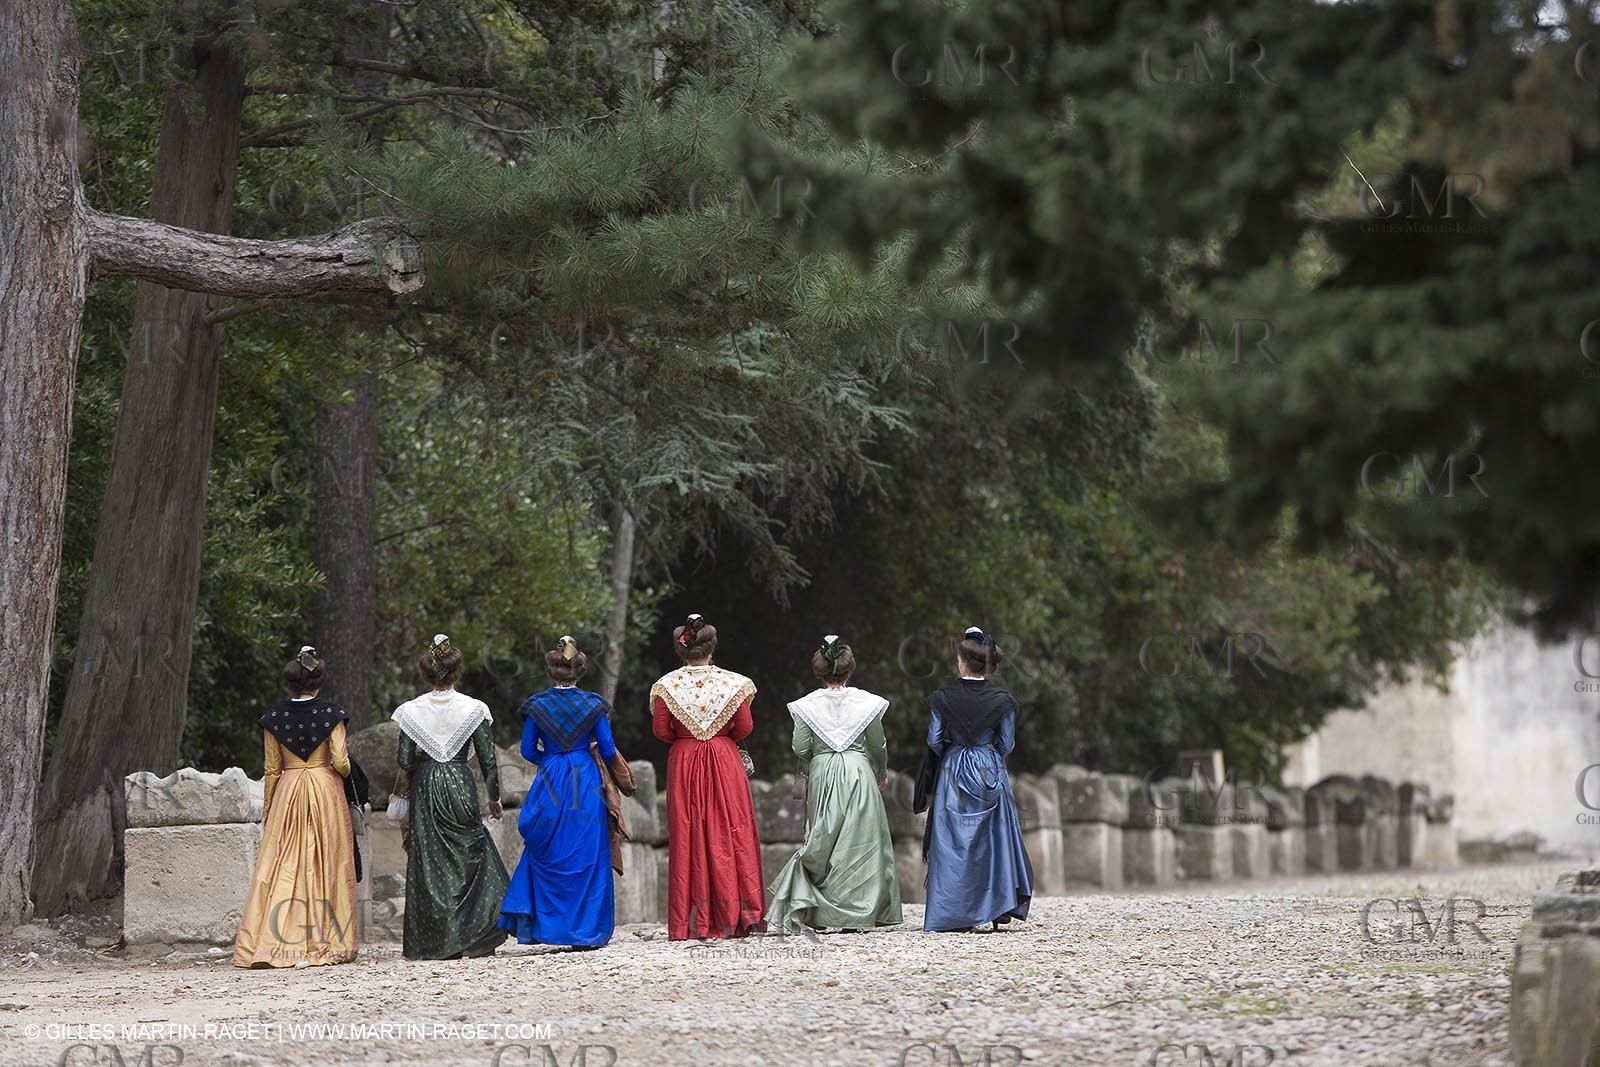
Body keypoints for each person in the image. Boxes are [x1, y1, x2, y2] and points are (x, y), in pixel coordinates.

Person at [767, 635, 902, 934]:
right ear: (849, 669)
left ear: (819, 671)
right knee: (859, 839)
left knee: (825, 838)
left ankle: (825, 911)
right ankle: (857, 911)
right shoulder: (867, 703)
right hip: (858, 771)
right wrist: (880, 773)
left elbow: (800, 747)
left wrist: (815, 756)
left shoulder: (806, 706)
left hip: (823, 771)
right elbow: (878, 744)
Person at [234, 646, 358, 967]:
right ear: (319, 680)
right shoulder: (332, 715)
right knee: (326, 861)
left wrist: (268, 810)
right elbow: (342, 762)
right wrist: (340, 772)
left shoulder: (274, 718)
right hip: (323, 789)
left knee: (282, 862)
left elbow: (271, 769)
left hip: (288, 790)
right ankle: (327, 937)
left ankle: (271, 940)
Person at [392, 634, 509, 960]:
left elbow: (403, 760)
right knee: (469, 855)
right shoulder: (474, 709)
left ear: (426, 673)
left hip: (428, 784)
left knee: (431, 860)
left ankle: (436, 941)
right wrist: (494, 798)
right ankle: (475, 935)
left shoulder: (411, 711)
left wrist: (422, 757)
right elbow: (487, 759)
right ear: (457, 671)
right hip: (459, 781)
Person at [499, 636, 621, 948]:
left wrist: (552, 761)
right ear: (580, 670)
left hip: (551, 780)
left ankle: (549, 927)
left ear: (552, 670)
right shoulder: (593, 705)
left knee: (549, 846)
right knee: (587, 851)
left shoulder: (538, 705)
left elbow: (528, 749)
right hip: (585, 778)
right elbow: (607, 748)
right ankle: (586, 930)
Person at [651, 613, 767, 940]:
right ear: (712, 646)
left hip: (685, 760)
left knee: (689, 832)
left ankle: (693, 921)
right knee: (732, 830)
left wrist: (689, 739)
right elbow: (744, 727)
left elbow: (661, 731)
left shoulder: (666, 686)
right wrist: (718, 735)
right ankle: (741, 915)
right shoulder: (734, 683)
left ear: (681, 648)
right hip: (724, 758)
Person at [922, 626, 1034, 933]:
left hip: (953, 766)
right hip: (988, 765)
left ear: (962, 662)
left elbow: (934, 740)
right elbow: (1008, 743)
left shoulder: (942, 697)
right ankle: (996, 906)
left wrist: (953, 752)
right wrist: (987, 753)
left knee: (952, 840)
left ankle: (951, 913)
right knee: (993, 839)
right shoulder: (1003, 700)